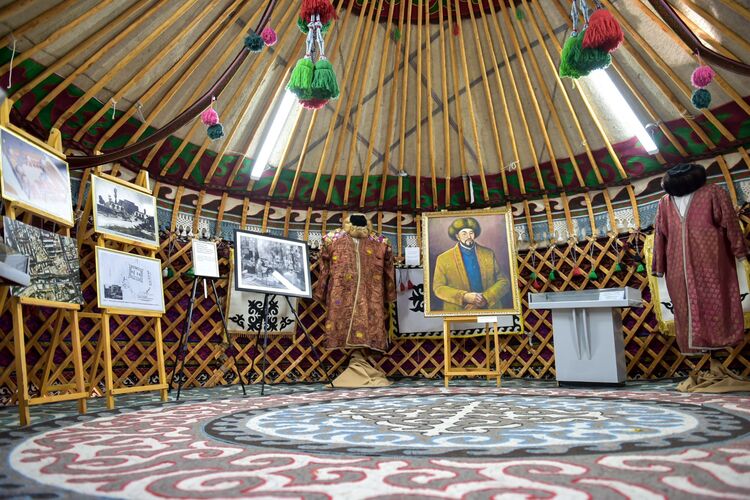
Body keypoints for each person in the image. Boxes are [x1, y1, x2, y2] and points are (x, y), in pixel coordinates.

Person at [652, 163, 746, 355]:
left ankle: (717, 354)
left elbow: (731, 223)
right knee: (685, 308)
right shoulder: (665, 202)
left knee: (716, 303)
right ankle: (704, 358)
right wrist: (658, 265)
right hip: (677, 268)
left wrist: (740, 251)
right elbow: (659, 235)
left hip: (711, 262)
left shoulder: (713, 193)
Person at [432, 217, 509, 311]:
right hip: (458, 311)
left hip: (489, 308)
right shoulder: (443, 258)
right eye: (464, 233)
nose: (468, 236)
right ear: (457, 236)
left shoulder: (488, 253)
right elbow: (438, 288)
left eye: (471, 233)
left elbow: (504, 281)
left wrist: (485, 298)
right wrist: (464, 297)